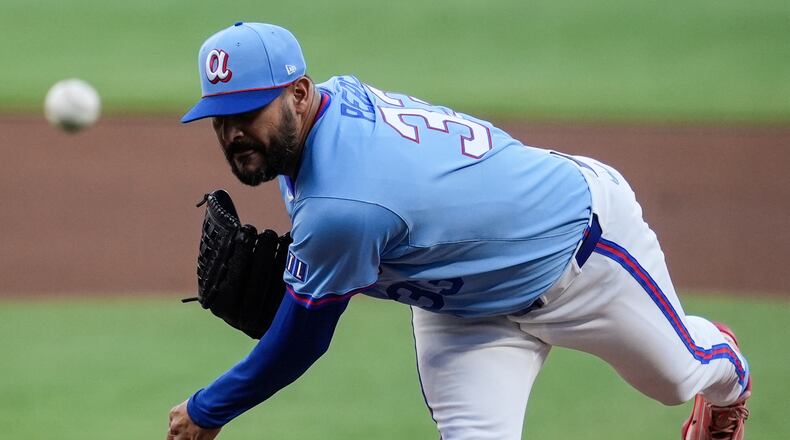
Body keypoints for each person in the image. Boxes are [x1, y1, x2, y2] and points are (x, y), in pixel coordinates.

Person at [167, 22, 751, 440]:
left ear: (299, 93)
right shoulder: (329, 109)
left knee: (677, 377)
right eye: (221, 118)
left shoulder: (342, 207)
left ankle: (726, 376)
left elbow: (303, 339)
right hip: (462, 311)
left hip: (583, 253)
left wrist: (207, 409)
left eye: (249, 114)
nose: (234, 133)